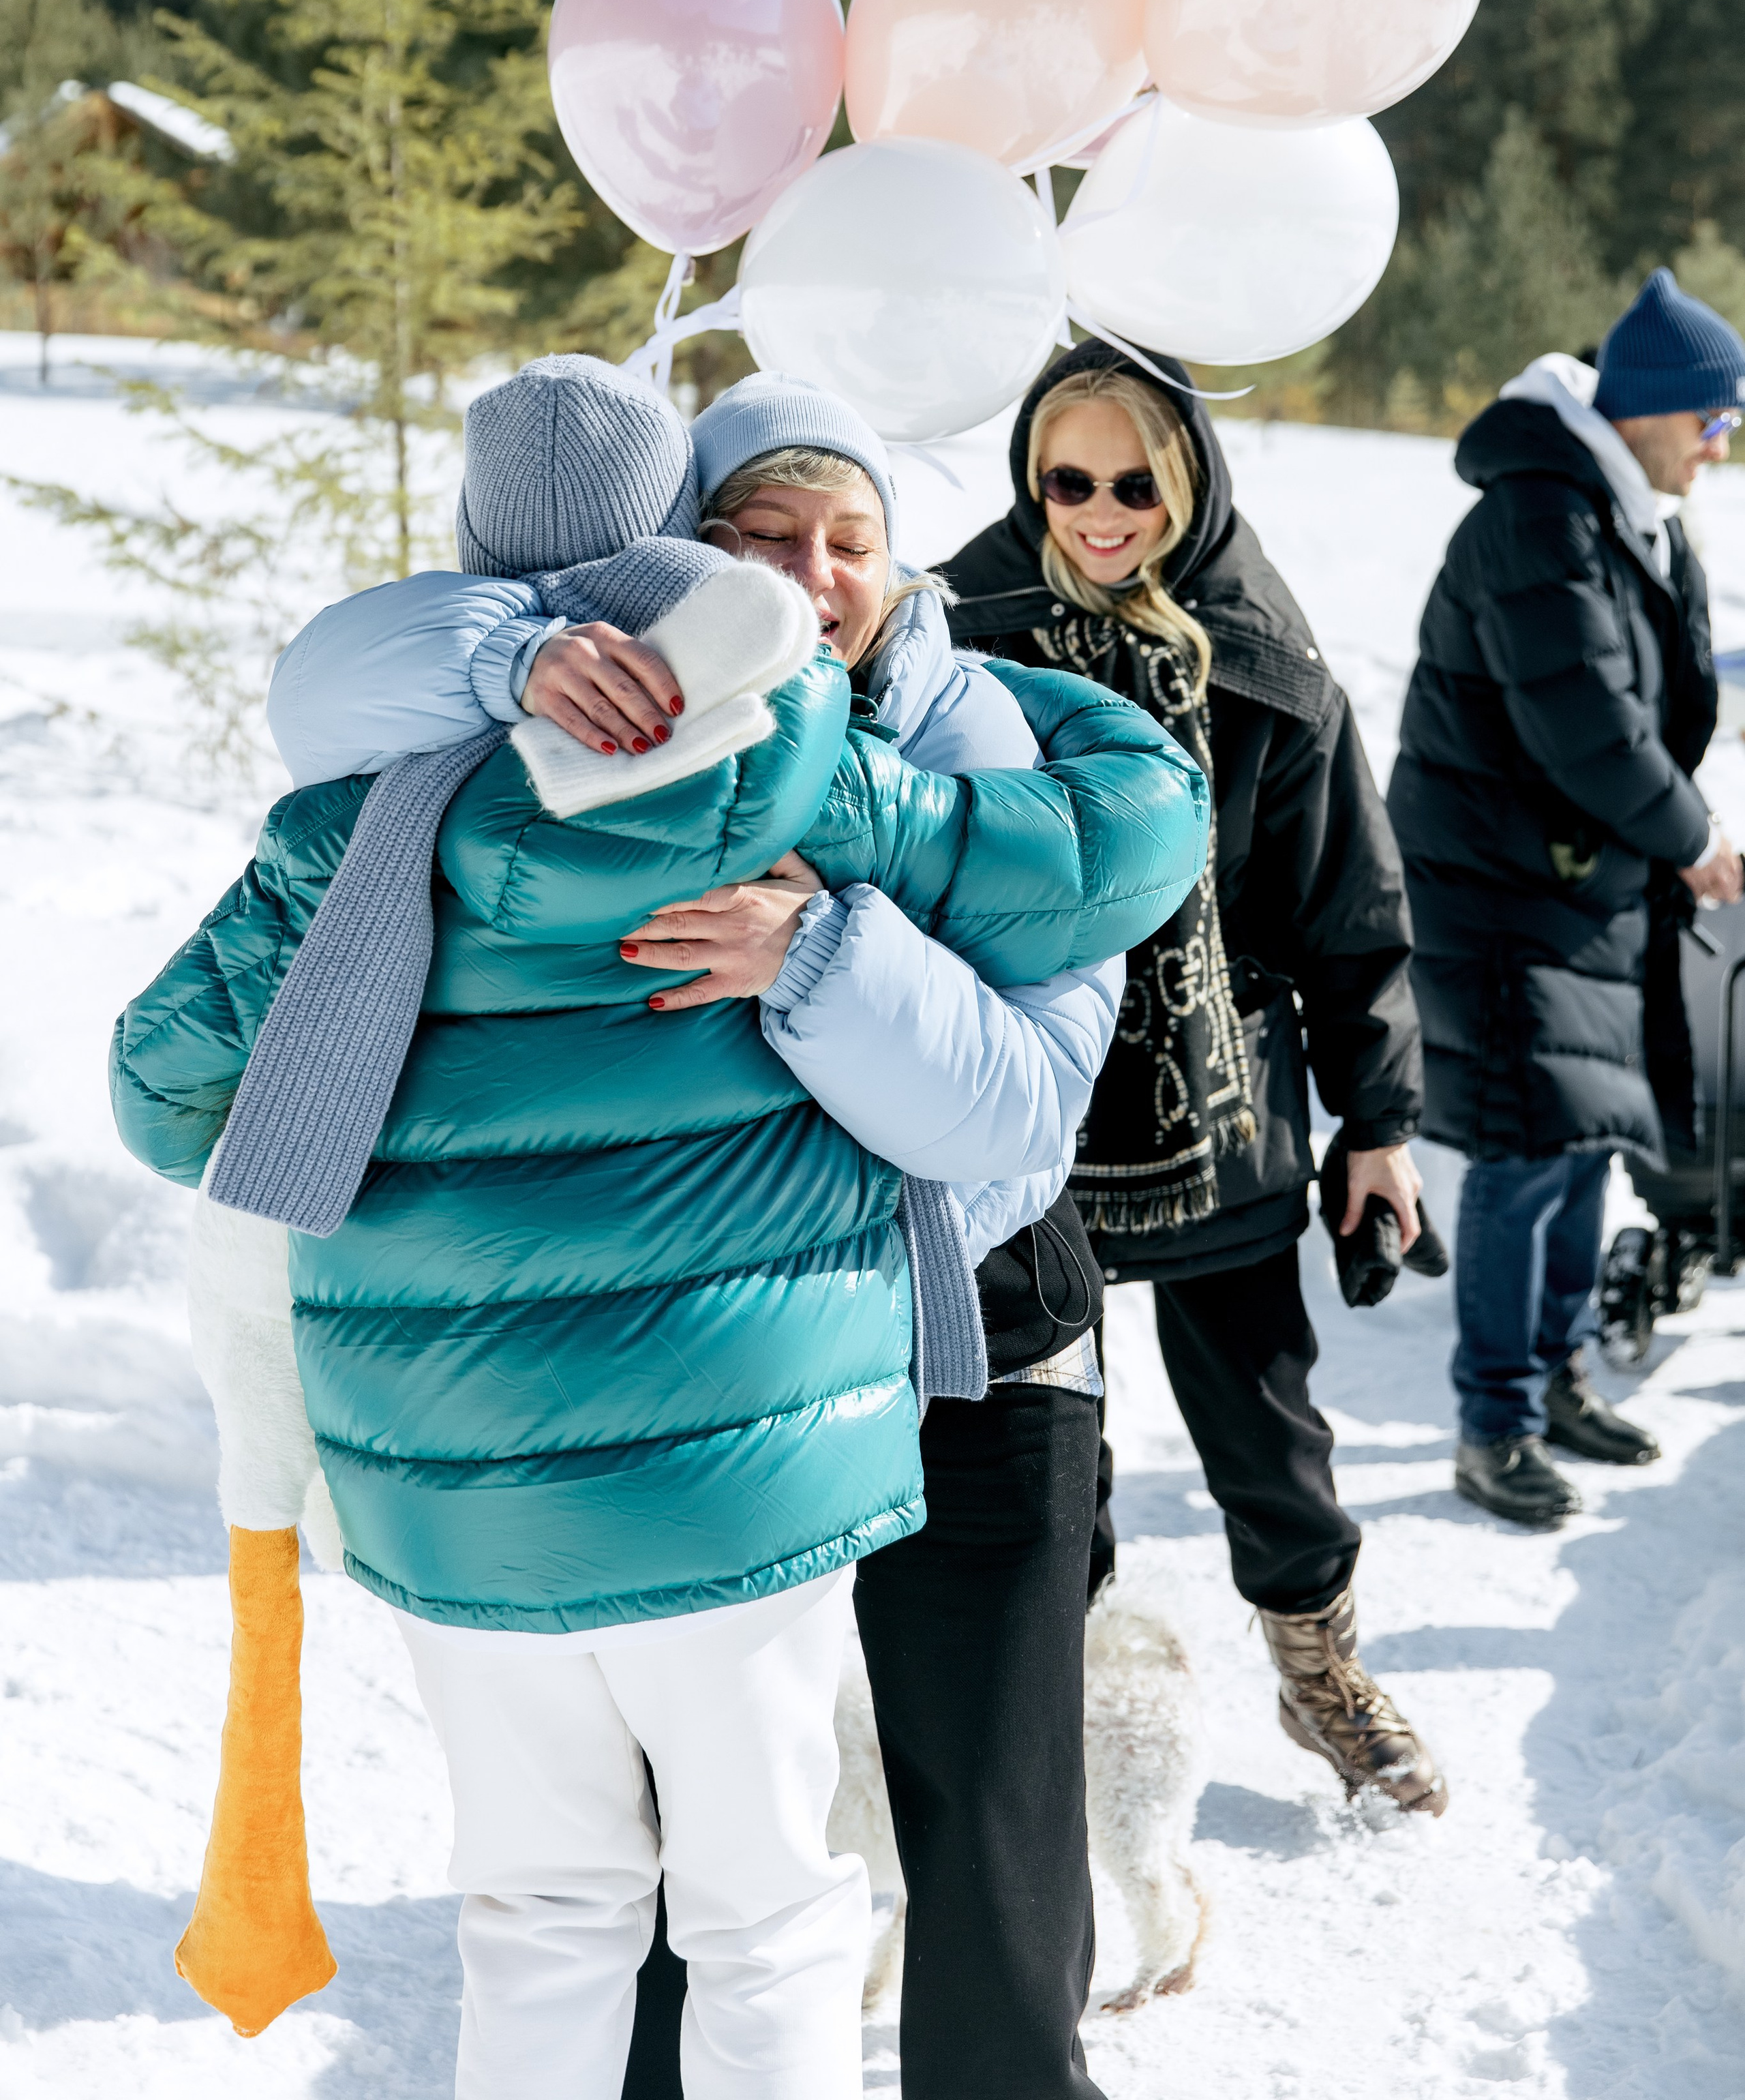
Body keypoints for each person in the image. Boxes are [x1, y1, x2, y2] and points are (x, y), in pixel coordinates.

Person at [115, 361, 1203, 2100]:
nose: (807, 571)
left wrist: (820, 964)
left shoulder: (967, 733)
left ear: (900, 567)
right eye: (758, 531)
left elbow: (1008, 1125)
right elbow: (337, 674)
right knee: (729, 1895)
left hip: (950, 1349)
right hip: (750, 1391)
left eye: (848, 536)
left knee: (924, 1867)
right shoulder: (682, 751)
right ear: (668, 566)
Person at [940, 340, 1446, 1817]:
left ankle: (1317, 1671)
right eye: (1066, 482)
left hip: (1219, 1108)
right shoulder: (958, 627)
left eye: (1134, 487)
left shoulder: (1260, 652)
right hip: (1023, 1098)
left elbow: (1343, 903)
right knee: (1045, 1434)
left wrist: (1380, 1122)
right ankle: (1064, 1706)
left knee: (1266, 1427)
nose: (1098, 515)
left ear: (1190, 484)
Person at [1389, 270, 1744, 1529]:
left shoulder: (1621, 511)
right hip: (1504, 886)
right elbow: (1586, 723)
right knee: (1526, 1149)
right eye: (1715, 418)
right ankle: (1495, 1423)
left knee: (1587, 1135)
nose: (1724, 441)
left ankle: (1557, 1373)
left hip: (1577, 881)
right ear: (1652, 411)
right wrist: (1693, 837)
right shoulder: (1542, 517)